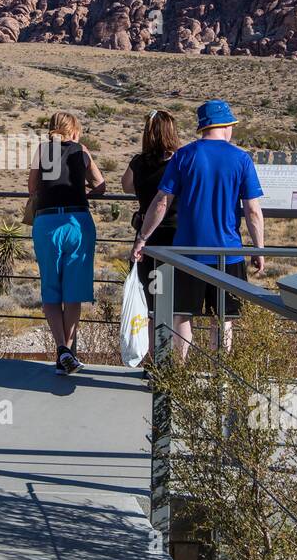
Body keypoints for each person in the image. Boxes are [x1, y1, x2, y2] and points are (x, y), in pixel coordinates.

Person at [132, 100, 264, 358]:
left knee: (182, 315)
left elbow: (161, 202)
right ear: (225, 126)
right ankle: (221, 380)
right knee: (223, 319)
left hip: (187, 253)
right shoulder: (241, 159)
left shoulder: (184, 155)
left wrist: (143, 238)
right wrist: (259, 249)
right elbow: (253, 211)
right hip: (228, 253)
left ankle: (179, 376)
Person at [29, 111, 105, 376]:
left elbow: (32, 189)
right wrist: (83, 189)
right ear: (73, 131)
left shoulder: (42, 150)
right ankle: (67, 353)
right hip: (77, 222)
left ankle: (61, 349)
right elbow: (101, 185)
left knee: (51, 289)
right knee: (73, 292)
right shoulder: (81, 151)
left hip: (47, 223)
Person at [121, 110, 180, 319]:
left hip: (146, 233)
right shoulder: (178, 162)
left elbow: (126, 186)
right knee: (176, 303)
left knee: (149, 302)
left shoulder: (138, 162)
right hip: (175, 234)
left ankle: (151, 350)